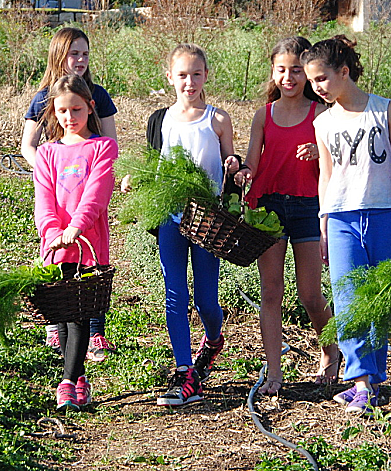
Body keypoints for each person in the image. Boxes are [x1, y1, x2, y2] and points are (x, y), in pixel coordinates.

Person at [301, 35, 391, 416]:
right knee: (348, 300)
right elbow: (326, 175)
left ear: (344, 72)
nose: (317, 87)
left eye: (321, 78)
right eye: (312, 81)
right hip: (341, 218)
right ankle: (360, 381)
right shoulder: (323, 121)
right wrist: (323, 222)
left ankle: (372, 381)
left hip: (382, 214)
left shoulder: (383, 110)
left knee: (379, 297)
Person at [234, 36, 339, 396]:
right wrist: (242, 172)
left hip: (309, 207)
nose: (289, 77)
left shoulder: (321, 113)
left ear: (307, 73)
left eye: (296, 70)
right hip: (270, 209)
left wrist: (320, 152)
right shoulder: (264, 114)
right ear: (273, 72)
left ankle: (330, 351)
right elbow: (252, 161)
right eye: (282, 70)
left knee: (310, 294)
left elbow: (336, 163)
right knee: (271, 292)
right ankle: (274, 373)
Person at [145, 44, 240, 407]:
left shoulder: (218, 119)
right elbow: (154, 165)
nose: (189, 82)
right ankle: (185, 373)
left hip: (207, 219)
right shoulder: (160, 119)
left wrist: (234, 166)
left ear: (206, 76)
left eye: (196, 74)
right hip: (171, 214)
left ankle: (213, 338)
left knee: (205, 300)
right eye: (182, 75)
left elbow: (230, 161)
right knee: (175, 293)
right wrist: (136, 181)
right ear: (169, 77)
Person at [22, 27, 117, 362]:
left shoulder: (98, 95)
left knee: (91, 265)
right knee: (58, 264)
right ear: (58, 55)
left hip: (88, 193)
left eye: (85, 54)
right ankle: (55, 325)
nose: (80, 60)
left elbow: (110, 143)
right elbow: (28, 145)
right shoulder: (42, 98)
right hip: (56, 190)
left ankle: (95, 331)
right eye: (73, 53)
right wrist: (49, 169)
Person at [33, 75, 118, 412]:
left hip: (88, 244)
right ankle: (78, 378)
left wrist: (77, 227)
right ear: (54, 112)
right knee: (64, 313)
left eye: (77, 109)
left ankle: (67, 382)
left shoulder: (102, 147)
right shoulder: (47, 153)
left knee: (81, 314)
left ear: (90, 107)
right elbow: (44, 200)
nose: (70, 117)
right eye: (63, 111)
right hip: (57, 245)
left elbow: (97, 193)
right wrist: (53, 232)